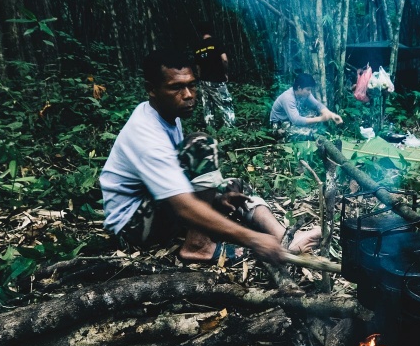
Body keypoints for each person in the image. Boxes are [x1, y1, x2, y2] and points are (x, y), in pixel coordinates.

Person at [100, 49, 319, 266]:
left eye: (191, 85)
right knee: (200, 144)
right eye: (176, 87)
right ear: (151, 89)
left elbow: (179, 179)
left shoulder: (169, 116)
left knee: (235, 186)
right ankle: (198, 245)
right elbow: (182, 205)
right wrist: (253, 239)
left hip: (159, 203)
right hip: (132, 227)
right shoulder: (145, 131)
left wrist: (216, 199)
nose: (188, 94)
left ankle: (285, 238)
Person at [269, 73, 343, 141]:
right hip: (279, 124)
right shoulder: (288, 98)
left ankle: (307, 132)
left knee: (313, 115)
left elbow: (317, 105)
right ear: (299, 88)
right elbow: (296, 120)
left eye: (310, 89)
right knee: (304, 134)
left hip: (291, 121)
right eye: (308, 89)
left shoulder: (305, 94)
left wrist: (332, 115)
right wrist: (320, 119)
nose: (310, 92)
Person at [194, 21, 235, 128]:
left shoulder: (198, 46)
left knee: (207, 106)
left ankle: (210, 129)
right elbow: (224, 59)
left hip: (204, 80)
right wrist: (225, 73)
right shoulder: (216, 42)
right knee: (226, 103)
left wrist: (201, 78)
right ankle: (230, 129)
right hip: (217, 79)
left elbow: (198, 67)